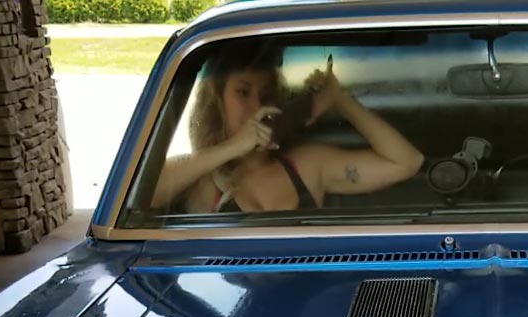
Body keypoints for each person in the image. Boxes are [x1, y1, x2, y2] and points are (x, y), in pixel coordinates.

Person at [151, 42, 424, 213]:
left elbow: (407, 162)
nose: (257, 106)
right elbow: (141, 196)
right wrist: (232, 148)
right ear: (218, 103)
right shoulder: (203, 177)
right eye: (243, 93)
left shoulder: (307, 163)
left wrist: (340, 100)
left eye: (267, 95)